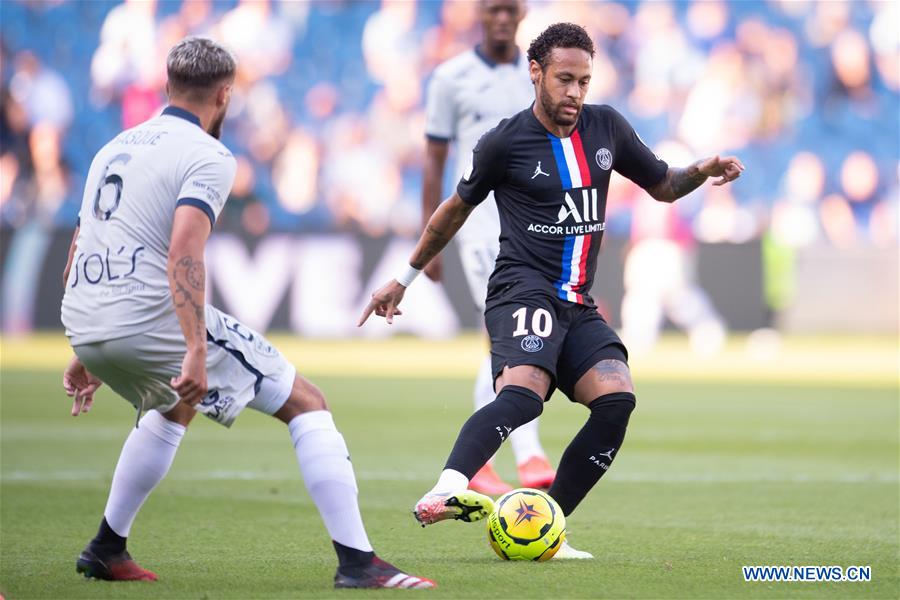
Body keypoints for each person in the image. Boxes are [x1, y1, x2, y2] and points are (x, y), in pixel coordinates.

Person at [60, 37, 434, 590]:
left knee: (173, 407)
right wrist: (192, 348)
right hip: (146, 318)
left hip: (87, 315)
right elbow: (184, 250)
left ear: (167, 87)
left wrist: (85, 346)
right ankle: (359, 562)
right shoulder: (209, 155)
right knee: (307, 403)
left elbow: (83, 239)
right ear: (226, 96)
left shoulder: (112, 148)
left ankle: (106, 548)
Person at [359, 23, 743, 558]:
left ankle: (546, 528)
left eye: (585, 81)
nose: (575, 93)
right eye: (565, 79)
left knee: (617, 402)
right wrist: (404, 278)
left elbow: (662, 185)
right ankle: (449, 486)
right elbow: (453, 211)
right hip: (522, 291)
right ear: (535, 73)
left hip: (578, 302)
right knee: (523, 396)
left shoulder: (606, 127)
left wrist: (700, 170)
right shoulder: (504, 142)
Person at [422, 0, 555, 496]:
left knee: (525, 330)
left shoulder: (541, 75)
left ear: (522, 13)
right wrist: (429, 240)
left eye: (510, 9)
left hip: (537, 225)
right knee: (507, 332)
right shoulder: (450, 78)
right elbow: (434, 162)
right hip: (479, 225)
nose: (502, 18)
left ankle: (491, 459)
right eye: (493, 9)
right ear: (479, 13)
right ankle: (526, 453)